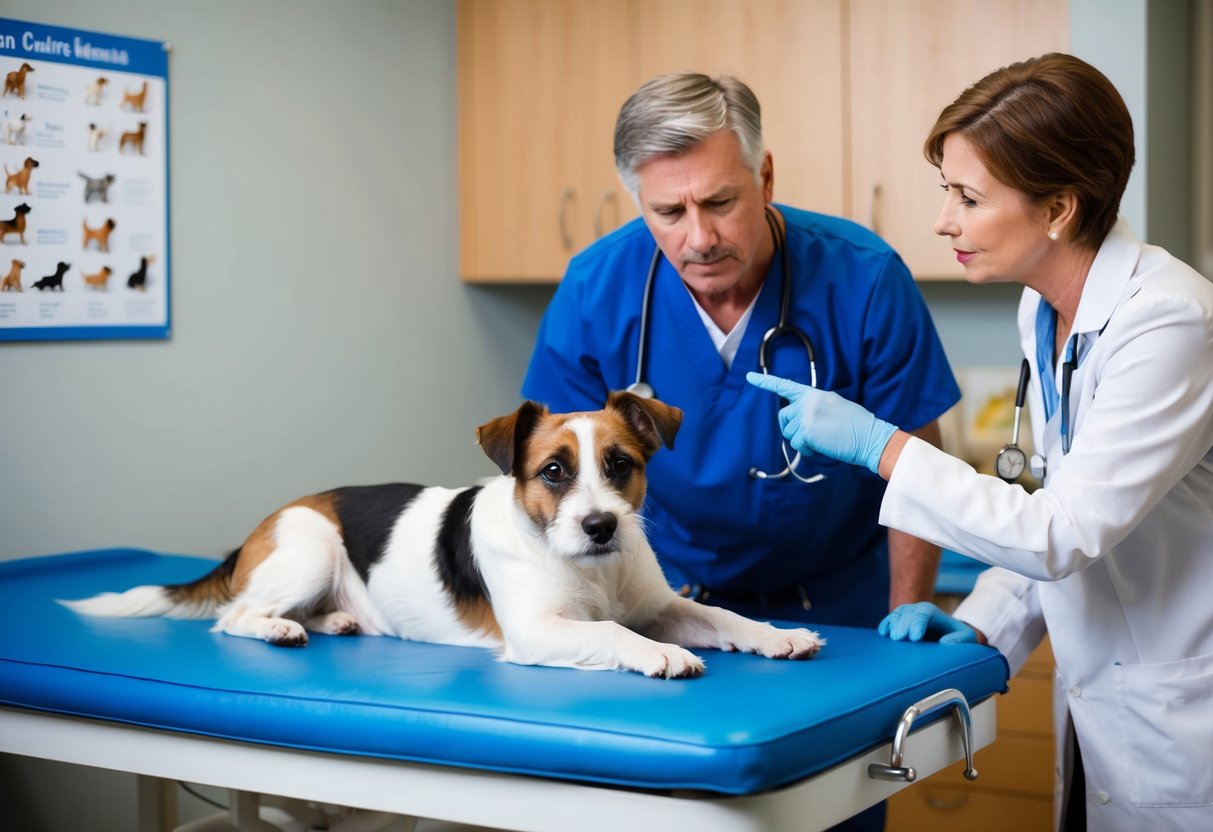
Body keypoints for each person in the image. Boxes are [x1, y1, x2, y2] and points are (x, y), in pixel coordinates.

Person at [749, 53, 1213, 832]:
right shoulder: (1044, 312)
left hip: (1179, 715)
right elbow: (1054, 506)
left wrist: (880, 444)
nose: (943, 220)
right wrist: (981, 619)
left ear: (1059, 206)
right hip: (1104, 706)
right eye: (946, 194)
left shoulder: (1168, 323)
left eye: (967, 197)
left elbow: (1062, 534)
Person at [522, 73, 958, 631]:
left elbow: (918, 469)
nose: (699, 238)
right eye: (669, 213)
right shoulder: (593, 291)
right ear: (637, 203)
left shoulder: (865, 279)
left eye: (719, 201)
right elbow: (551, 477)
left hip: (839, 616)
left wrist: (904, 630)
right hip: (665, 608)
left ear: (766, 177)